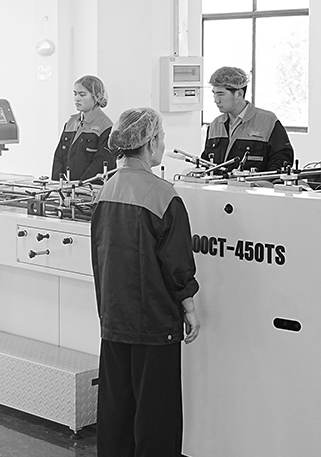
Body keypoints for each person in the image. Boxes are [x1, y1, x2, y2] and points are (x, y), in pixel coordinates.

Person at [92, 107, 200, 457]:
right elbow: (177, 263)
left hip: (114, 319)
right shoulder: (163, 195)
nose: (163, 144)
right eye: (162, 137)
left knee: (116, 410)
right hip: (155, 323)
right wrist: (189, 307)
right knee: (157, 415)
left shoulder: (105, 190)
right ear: (150, 142)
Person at [200, 66, 293, 174]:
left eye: (221, 94)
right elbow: (206, 164)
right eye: (214, 93)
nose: (216, 100)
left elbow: (282, 161)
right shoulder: (215, 125)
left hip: (255, 185)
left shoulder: (268, 122)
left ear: (239, 94)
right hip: (218, 185)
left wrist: (264, 182)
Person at [51, 75, 115, 183]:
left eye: (82, 94)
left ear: (97, 96)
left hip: (91, 188)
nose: (77, 98)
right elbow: (59, 158)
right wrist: (57, 184)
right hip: (67, 188)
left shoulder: (105, 126)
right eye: (75, 94)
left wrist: (81, 185)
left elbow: (101, 162)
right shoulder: (70, 123)